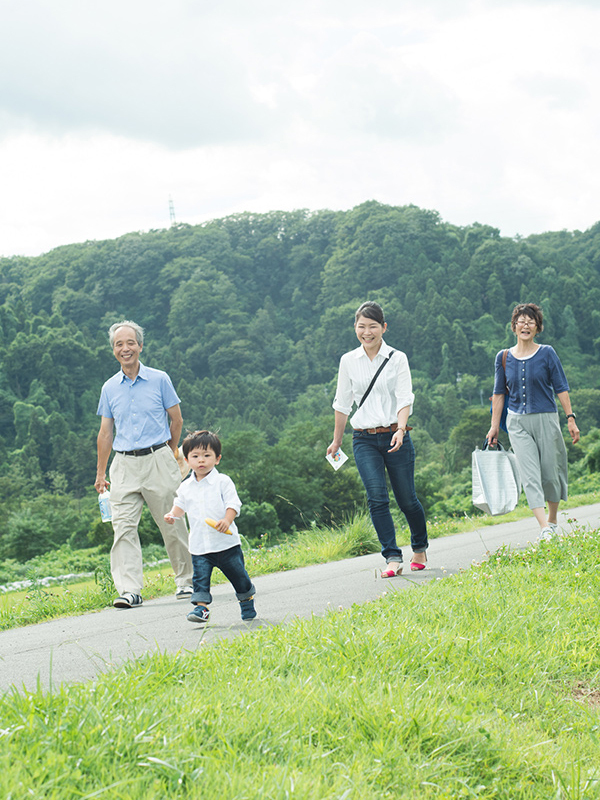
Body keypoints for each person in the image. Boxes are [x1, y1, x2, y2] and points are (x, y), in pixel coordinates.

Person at [95, 320, 193, 609]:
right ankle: (130, 590)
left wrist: (170, 451)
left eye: (130, 343)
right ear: (114, 350)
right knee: (123, 528)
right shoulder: (109, 388)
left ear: (140, 346)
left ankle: (186, 580)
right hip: (123, 464)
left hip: (158, 458)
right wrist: (100, 472)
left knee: (172, 522)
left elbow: (176, 419)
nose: (125, 349)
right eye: (119, 344)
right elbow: (105, 433)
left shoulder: (160, 379)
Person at [326, 301, 428, 577]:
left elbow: (405, 398)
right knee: (377, 498)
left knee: (407, 499)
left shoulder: (397, 358)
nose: (367, 332)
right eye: (362, 327)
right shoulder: (348, 361)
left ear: (384, 327)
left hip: (396, 435)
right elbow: (342, 404)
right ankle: (392, 557)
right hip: (364, 439)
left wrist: (401, 429)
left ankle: (419, 547)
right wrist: (337, 440)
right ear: (355, 328)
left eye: (373, 326)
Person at [487, 303, 580, 538]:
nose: (525, 325)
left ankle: (552, 520)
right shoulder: (503, 357)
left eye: (531, 322)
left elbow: (561, 387)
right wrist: (494, 426)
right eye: (521, 321)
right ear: (514, 326)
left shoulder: (547, 353)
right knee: (529, 475)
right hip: (517, 423)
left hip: (546, 419)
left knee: (550, 472)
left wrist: (570, 418)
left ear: (538, 328)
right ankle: (544, 528)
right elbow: (499, 393)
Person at [164, 430, 257, 624]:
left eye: (207, 455)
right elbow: (180, 506)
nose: (201, 460)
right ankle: (201, 609)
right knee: (200, 580)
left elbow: (233, 504)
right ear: (187, 461)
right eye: (195, 456)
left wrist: (227, 520)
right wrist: (172, 515)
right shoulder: (185, 487)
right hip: (200, 547)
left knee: (239, 577)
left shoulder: (223, 482)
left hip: (226, 544)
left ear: (217, 459)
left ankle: (246, 600)